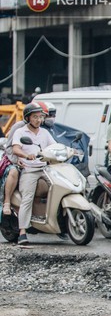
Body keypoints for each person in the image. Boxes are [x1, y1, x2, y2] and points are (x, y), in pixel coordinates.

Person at [9, 102, 57, 245]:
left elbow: (54, 146)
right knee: (27, 197)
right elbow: (16, 149)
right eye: (35, 117)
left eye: (40, 117)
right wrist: (26, 155)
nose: (38, 120)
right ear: (28, 118)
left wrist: (68, 151)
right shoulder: (21, 132)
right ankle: (23, 232)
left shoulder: (45, 133)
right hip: (30, 169)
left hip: (46, 168)